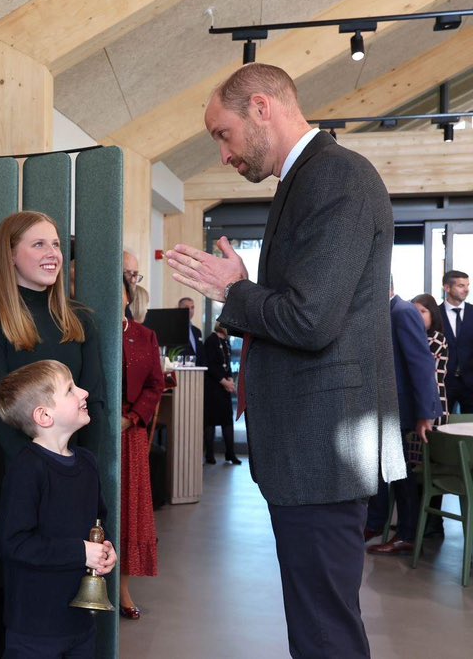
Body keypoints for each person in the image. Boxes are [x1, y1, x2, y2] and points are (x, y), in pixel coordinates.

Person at [165, 63, 405, 659]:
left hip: (323, 448)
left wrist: (233, 292)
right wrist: (246, 285)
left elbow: (310, 320)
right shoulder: (307, 180)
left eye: (223, 133)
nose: (222, 154)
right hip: (313, 447)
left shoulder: (335, 178)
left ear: (263, 108)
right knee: (319, 623)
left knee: (324, 631)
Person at [0, 211, 107, 659]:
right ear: (10, 255)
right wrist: (42, 466)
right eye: (39, 245)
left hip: (74, 475)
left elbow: (97, 404)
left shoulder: (79, 318)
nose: (53, 255)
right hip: (17, 476)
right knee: (13, 602)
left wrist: (84, 472)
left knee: (74, 599)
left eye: (57, 246)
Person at [0, 360, 116, 658]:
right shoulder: (27, 469)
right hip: (35, 628)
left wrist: (106, 550)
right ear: (44, 415)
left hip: (80, 623)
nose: (84, 392)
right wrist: (81, 552)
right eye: (71, 389)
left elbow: (98, 522)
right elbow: (15, 543)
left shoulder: (87, 463)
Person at [366, 287, 441, 555]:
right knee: (390, 471)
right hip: (384, 408)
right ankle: (384, 525)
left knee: (400, 473)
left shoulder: (403, 311)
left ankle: (405, 533)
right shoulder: (384, 312)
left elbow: (421, 363)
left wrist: (425, 413)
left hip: (400, 408)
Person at [119, 283, 162, 619]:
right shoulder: (78, 328)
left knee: (129, 510)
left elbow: (155, 384)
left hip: (130, 432)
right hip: (85, 428)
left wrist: (132, 417)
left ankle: (123, 589)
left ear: (128, 296)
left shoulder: (145, 335)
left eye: (119, 290)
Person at [409, 293, 450, 538]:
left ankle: (434, 523)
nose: (417, 316)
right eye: (414, 312)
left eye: (422, 312)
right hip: (420, 406)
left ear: (432, 315)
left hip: (434, 407)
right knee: (418, 467)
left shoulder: (436, 338)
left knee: (432, 466)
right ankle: (418, 522)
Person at [202, 323, 241, 465]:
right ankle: (209, 455)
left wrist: (230, 379)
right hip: (213, 387)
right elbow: (210, 365)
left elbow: (228, 364)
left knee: (227, 420)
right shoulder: (211, 341)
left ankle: (230, 453)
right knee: (210, 421)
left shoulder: (226, 341)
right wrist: (224, 381)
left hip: (224, 388)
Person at [439, 270, 472, 413]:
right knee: (441, 425)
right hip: (445, 382)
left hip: (471, 382)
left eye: (467, 285)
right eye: (460, 285)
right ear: (447, 288)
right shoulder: (435, 313)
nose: (466, 290)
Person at [177, 297, 203, 362]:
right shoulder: (173, 329)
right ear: (179, 309)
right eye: (186, 307)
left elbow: (201, 353)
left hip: (197, 370)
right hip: (180, 369)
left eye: (192, 307)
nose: (190, 310)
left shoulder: (197, 331)